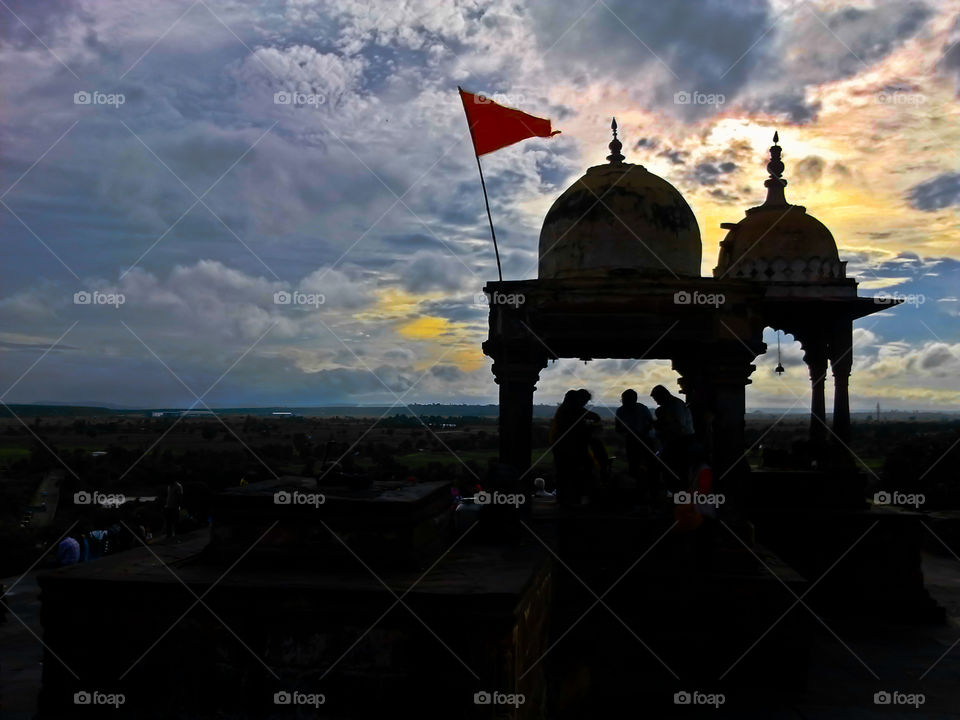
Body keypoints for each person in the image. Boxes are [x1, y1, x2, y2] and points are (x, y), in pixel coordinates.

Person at [550, 390, 593, 506]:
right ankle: (571, 499)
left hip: (563, 446)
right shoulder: (572, 410)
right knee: (570, 473)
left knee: (565, 473)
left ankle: (566, 499)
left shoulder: (567, 410)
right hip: (568, 447)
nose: (584, 403)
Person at [650, 385, 696, 491]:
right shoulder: (670, 405)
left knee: (675, 467)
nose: (657, 403)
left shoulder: (675, 405)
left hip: (683, 441)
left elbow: (680, 426)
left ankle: (677, 490)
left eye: (657, 399)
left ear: (663, 396)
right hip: (677, 440)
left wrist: (662, 429)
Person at [614, 389, 656, 496]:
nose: (623, 402)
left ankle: (649, 490)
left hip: (646, 440)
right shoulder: (621, 411)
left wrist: (640, 434)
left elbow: (650, 424)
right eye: (623, 400)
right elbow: (618, 428)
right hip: (633, 440)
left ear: (634, 399)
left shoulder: (641, 409)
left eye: (625, 400)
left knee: (649, 465)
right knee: (634, 466)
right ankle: (639, 490)